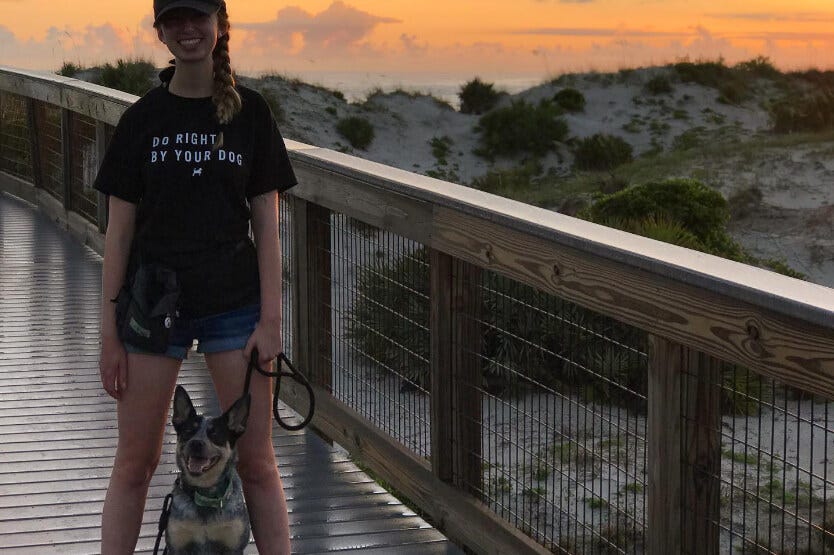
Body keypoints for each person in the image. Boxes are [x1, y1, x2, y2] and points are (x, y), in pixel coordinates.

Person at [94, 0, 296, 552]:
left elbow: (268, 225)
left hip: (234, 304)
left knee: (256, 462)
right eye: (174, 19)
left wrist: (272, 321)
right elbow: (118, 235)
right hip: (153, 306)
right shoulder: (142, 119)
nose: (188, 30)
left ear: (219, 25)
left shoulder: (250, 113)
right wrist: (109, 333)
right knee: (136, 461)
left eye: (198, 17)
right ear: (159, 30)